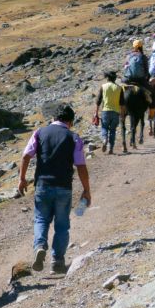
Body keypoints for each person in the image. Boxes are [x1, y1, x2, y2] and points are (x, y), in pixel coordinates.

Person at [18, 103, 92, 274]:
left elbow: (26, 155)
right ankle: (57, 262)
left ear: (53, 119)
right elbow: (81, 166)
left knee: (41, 219)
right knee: (62, 225)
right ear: (71, 122)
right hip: (64, 187)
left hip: (43, 186)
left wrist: (22, 179)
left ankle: (39, 246)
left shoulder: (39, 133)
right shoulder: (73, 137)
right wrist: (86, 190)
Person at [94, 71, 124, 154]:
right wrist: (122, 115)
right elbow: (122, 104)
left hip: (105, 111)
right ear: (115, 78)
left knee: (104, 128)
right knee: (113, 130)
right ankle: (111, 149)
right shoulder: (119, 88)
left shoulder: (103, 86)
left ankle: (104, 139)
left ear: (107, 78)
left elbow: (98, 101)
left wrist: (96, 113)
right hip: (116, 112)